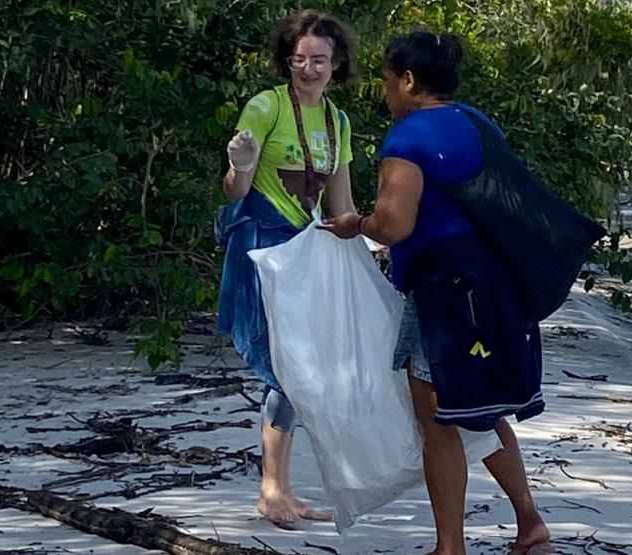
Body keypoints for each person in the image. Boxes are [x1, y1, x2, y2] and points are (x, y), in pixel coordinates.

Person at [323, 31, 551, 555]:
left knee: (440, 420)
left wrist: (356, 225)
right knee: (482, 408)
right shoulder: (478, 122)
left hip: (447, 296)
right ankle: (530, 523)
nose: (384, 91)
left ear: (408, 80)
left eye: (387, 80)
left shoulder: (409, 138)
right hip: (498, 288)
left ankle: (450, 547)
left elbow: (393, 224)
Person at [217, 10, 358, 529]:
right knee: (286, 368)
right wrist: (242, 164)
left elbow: (342, 206)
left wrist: (374, 242)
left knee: (300, 370)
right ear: (286, 61)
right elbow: (234, 190)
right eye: (299, 59)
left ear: (336, 63)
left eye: (319, 60)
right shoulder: (266, 106)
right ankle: (272, 490)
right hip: (262, 251)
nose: (308, 69)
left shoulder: (338, 122)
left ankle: (281, 488)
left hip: (305, 255)